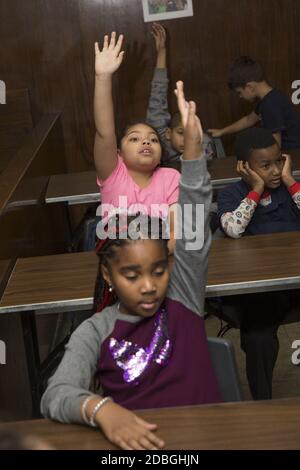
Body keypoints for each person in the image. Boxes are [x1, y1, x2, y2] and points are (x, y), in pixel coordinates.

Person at [41, 81, 221, 451]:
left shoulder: (183, 297)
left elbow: (194, 214)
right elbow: (55, 396)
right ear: (108, 274)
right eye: (131, 274)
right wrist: (102, 409)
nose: (149, 286)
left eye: (158, 270)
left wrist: (192, 148)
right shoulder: (96, 330)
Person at [216, 127, 300, 400]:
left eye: (279, 161)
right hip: (263, 292)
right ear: (243, 167)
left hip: (294, 282)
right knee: (259, 338)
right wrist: (256, 189)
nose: (275, 170)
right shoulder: (231, 195)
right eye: (265, 166)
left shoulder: (291, 188)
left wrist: (290, 180)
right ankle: (262, 401)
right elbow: (233, 229)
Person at [93, 32, 180, 253]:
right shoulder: (113, 174)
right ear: (119, 152)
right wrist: (102, 77)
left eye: (153, 139)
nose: (146, 142)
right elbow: (104, 132)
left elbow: (175, 231)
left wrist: (153, 261)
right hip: (118, 265)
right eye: (134, 138)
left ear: (162, 153)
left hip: (159, 262)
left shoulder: (171, 178)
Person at [146, 23, 214, 165]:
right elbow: (157, 96)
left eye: (190, 134)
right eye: (181, 133)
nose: (186, 140)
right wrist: (162, 52)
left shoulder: (204, 143)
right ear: (169, 134)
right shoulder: (161, 138)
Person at [208, 56, 300, 151]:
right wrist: (222, 132)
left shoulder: (270, 105)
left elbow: (276, 147)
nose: (240, 96)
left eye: (239, 92)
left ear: (250, 87)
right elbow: (248, 120)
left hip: (294, 153)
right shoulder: (269, 98)